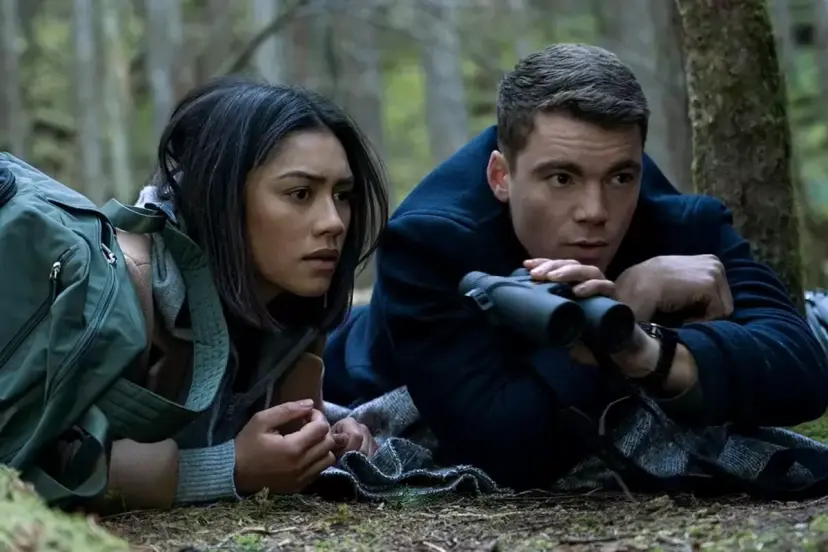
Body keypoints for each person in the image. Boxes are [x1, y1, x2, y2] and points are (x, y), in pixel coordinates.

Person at [322, 44, 828, 491]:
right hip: (359, 362)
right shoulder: (430, 241)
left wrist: (649, 351)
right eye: (562, 179)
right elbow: (504, 447)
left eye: (621, 177)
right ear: (501, 176)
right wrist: (621, 310)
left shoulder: (667, 217)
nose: (595, 211)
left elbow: (800, 371)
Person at [106, 76, 389, 509]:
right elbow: (43, 463)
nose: (334, 221)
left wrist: (329, 434)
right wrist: (230, 469)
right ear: (220, 197)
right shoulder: (123, 287)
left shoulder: (296, 300)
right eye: (300, 193)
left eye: (342, 195)